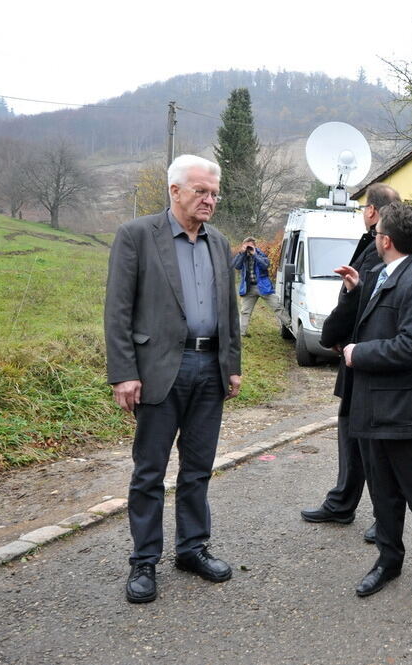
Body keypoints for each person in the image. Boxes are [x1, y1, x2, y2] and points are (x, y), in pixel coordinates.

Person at [105, 154, 242, 604]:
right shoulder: (138, 235)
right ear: (175, 191)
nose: (209, 200)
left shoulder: (219, 243)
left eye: (214, 193)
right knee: (149, 472)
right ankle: (144, 560)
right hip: (159, 370)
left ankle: (192, 548)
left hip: (209, 369)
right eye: (201, 191)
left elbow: (229, 311)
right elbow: (118, 310)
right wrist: (124, 373)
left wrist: (232, 364)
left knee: (198, 468)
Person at [336, 202, 412, 610]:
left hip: (407, 414)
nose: (373, 238)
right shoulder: (386, 274)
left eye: (376, 233)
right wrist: (357, 290)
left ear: (385, 240)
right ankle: (389, 561)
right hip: (374, 409)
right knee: (383, 494)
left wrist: (357, 354)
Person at [300, 183, 401, 544]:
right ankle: (343, 502)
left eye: (364, 208)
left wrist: (329, 337)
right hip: (357, 358)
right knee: (352, 436)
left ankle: (382, 515)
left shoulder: (382, 250)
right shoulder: (373, 245)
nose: (363, 213)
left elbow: (357, 305)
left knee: (371, 442)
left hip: (366, 358)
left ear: (373, 211)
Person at [232, 236, 291, 337]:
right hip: (249, 288)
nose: (249, 248)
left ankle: (290, 326)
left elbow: (265, 265)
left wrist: (254, 254)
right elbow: (236, 265)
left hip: (263, 287)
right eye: (247, 246)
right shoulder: (242, 255)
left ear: (255, 246)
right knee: (245, 311)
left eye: (251, 246)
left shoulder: (260, 254)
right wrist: (241, 253)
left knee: (277, 306)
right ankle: (242, 333)